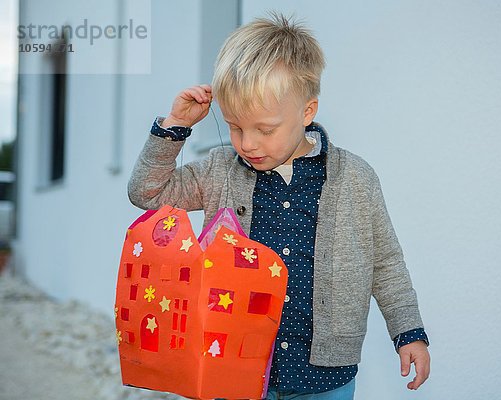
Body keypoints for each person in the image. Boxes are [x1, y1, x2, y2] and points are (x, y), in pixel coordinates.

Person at [128, 12, 430, 400]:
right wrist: (175, 127)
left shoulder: (355, 178)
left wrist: (409, 332)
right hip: (234, 366)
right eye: (235, 126)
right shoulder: (221, 171)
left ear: (307, 112)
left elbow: (385, 262)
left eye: (264, 130)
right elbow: (147, 194)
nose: (247, 143)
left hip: (325, 376)